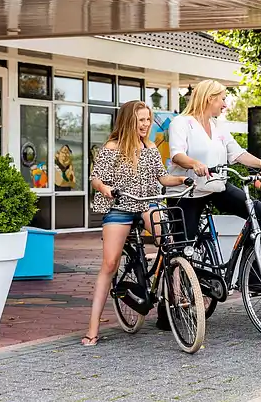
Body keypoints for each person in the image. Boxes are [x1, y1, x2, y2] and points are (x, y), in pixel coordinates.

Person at [157, 79, 261, 331]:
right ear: (209, 98)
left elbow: (237, 153)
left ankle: (251, 274)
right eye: (222, 98)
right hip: (186, 191)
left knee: (260, 213)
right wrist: (193, 163)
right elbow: (176, 154)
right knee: (181, 249)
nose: (225, 104)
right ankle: (172, 306)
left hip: (216, 186)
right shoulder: (182, 122)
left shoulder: (217, 126)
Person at [81, 100, 190, 346]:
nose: (146, 124)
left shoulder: (150, 147)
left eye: (148, 119)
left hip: (147, 204)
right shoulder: (112, 147)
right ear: (130, 121)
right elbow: (96, 179)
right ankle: (92, 328)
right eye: (141, 120)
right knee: (110, 264)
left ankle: (179, 293)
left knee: (171, 244)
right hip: (120, 206)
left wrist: (183, 179)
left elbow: (161, 177)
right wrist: (106, 189)